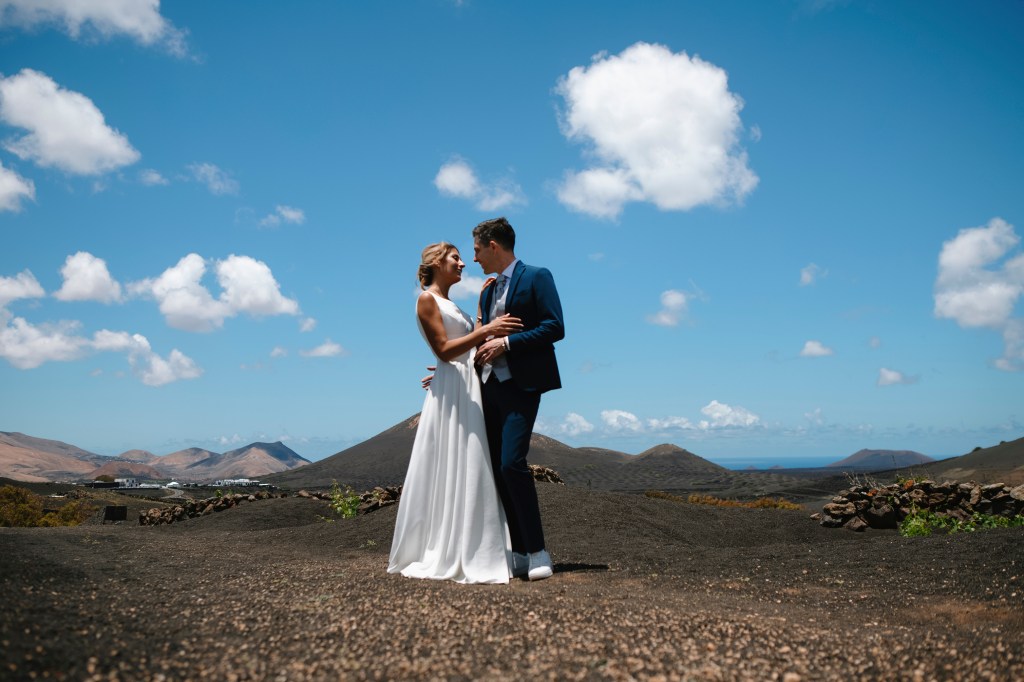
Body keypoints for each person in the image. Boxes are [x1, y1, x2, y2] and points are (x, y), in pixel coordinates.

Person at [388, 242, 523, 584]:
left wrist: (481, 307)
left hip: (464, 385)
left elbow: (464, 347)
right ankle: (444, 546)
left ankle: (475, 546)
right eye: (455, 258)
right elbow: (445, 350)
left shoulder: (451, 304)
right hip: (452, 392)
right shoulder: (426, 300)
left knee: (471, 462)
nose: (463, 263)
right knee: (452, 462)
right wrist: (487, 331)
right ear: (436, 262)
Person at [473, 217, 565, 581]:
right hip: (487, 388)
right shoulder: (485, 290)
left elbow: (555, 326)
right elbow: (481, 337)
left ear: (493, 245)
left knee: (512, 463)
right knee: (496, 470)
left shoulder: (537, 276)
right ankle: (520, 552)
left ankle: (540, 549)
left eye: (477, 249)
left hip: (521, 386)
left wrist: (507, 343)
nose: (474, 258)